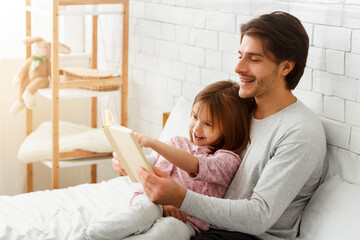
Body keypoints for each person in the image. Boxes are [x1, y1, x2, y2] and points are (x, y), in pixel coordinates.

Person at [134, 11, 326, 240]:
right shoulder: (239, 110)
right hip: (204, 223)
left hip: (248, 235)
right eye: (240, 55)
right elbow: (197, 157)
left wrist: (180, 198)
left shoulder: (300, 132)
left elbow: (258, 215)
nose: (238, 68)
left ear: (286, 67)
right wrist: (136, 161)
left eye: (254, 59)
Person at [82, 80, 254, 240]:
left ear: (230, 127)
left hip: (188, 221)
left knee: (170, 230)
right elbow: (157, 174)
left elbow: (195, 165)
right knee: (143, 212)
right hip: (154, 201)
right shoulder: (177, 143)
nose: (196, 127)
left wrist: (153, 143)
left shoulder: (228, 160)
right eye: (194, 116)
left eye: (208, 124)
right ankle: (90, 236)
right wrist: (128, 162)